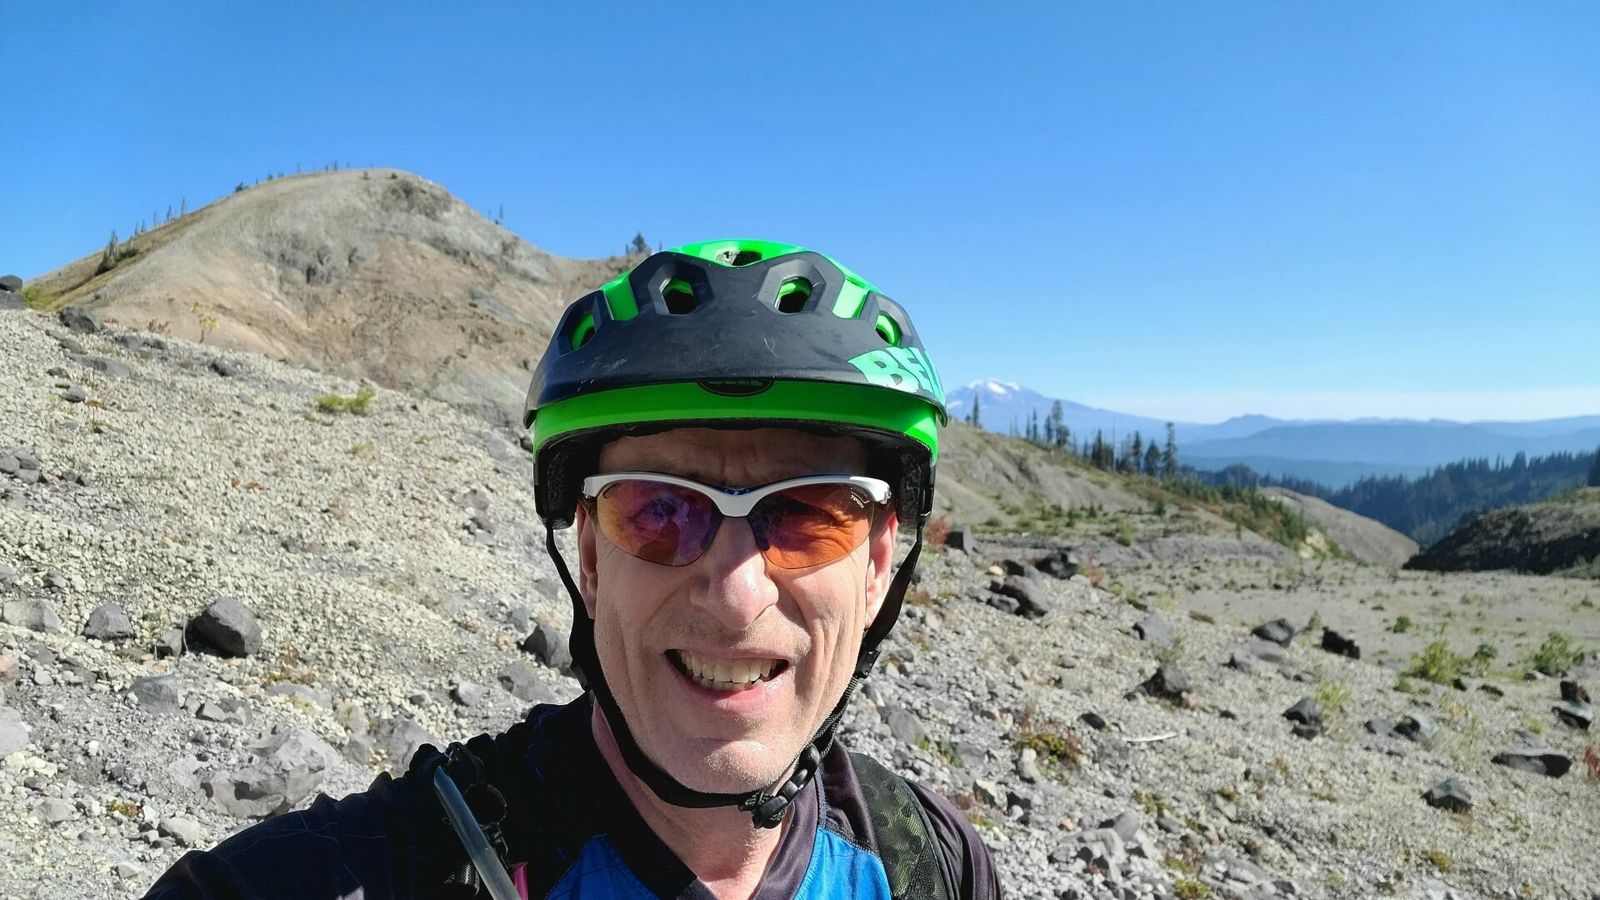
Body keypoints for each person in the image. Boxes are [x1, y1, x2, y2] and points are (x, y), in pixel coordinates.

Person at [146, 239, 1000, 899]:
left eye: (807, 514)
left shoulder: (933, 866)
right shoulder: (383, 870)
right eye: (659, 510)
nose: (736, 596)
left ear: (879, 565)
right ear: (590, 557)